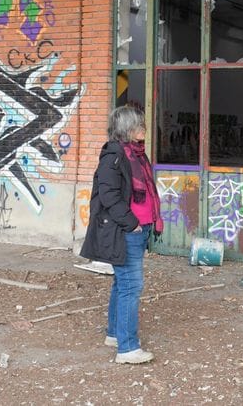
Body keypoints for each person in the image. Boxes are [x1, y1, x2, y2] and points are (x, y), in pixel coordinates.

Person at [79, 106, 163, 364]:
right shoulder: (114, 157)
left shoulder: (137, 154)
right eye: (139, 125)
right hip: (126, 231)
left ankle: (115, 334)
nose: (144, 129)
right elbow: (109, 196)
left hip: (138, 229)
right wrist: (132, 223)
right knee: (130, 286)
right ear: (127, 129)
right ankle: (127, 349)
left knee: (121, 282)